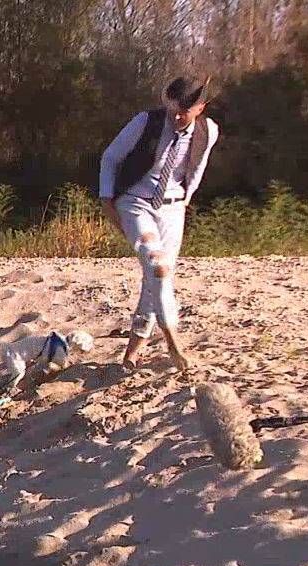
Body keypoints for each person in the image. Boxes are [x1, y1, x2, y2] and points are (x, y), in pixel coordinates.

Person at [99, 76, 220, 371]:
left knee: (156, 279)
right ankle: (174, 344)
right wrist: (106, 199)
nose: (177, 117)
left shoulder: (209, 131)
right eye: (173, 109)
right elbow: (110, 158)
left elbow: (199, 164)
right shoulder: (146, 122)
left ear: (201, 108)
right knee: (158, 268)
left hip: (172, 208)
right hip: (136, 202)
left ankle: (134, 348)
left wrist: (185, 199)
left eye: (185, 111)